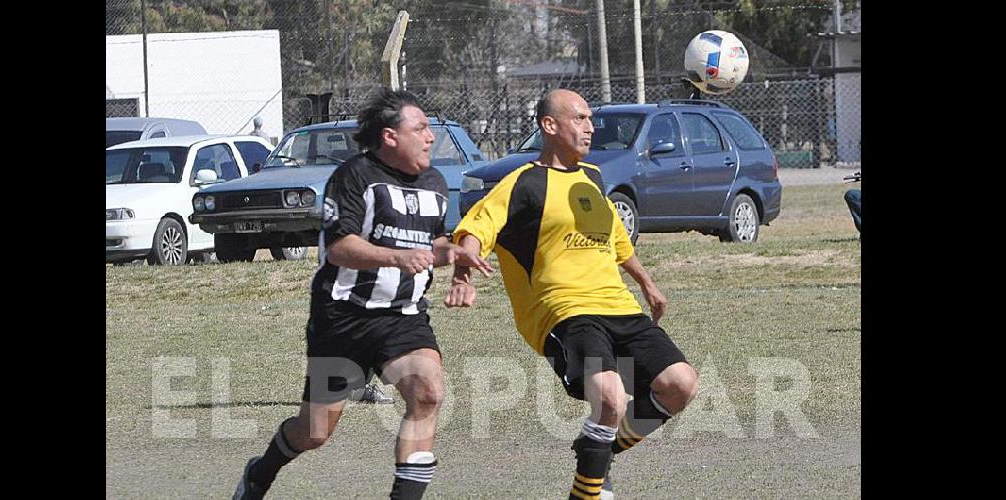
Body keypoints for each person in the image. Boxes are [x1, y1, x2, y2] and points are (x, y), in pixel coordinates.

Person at [234, 89, 493, 500]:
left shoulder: (435, 182)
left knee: (428, 392)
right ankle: (259, 473)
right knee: (315, 431)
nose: (431, 138)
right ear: (390, 137)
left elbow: (434, 245)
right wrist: (396, 257)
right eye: (421, 129)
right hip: (343, 318)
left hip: (403, 317)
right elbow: (339, 248)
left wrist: (457, 259)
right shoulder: (354, 176)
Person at [445, 89, 699, 500]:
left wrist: (646, 282)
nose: (590, 127)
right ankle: (586, 492)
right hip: (564, 311)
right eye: (580, 118)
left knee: (680, 385)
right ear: (550, 126)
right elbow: (475, 229)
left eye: (589, 119)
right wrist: (462, 274)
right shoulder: (523, 182)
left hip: (618, 306)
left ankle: (597, 453)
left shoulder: (592, 178)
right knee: (611, 398)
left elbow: (614, 239)